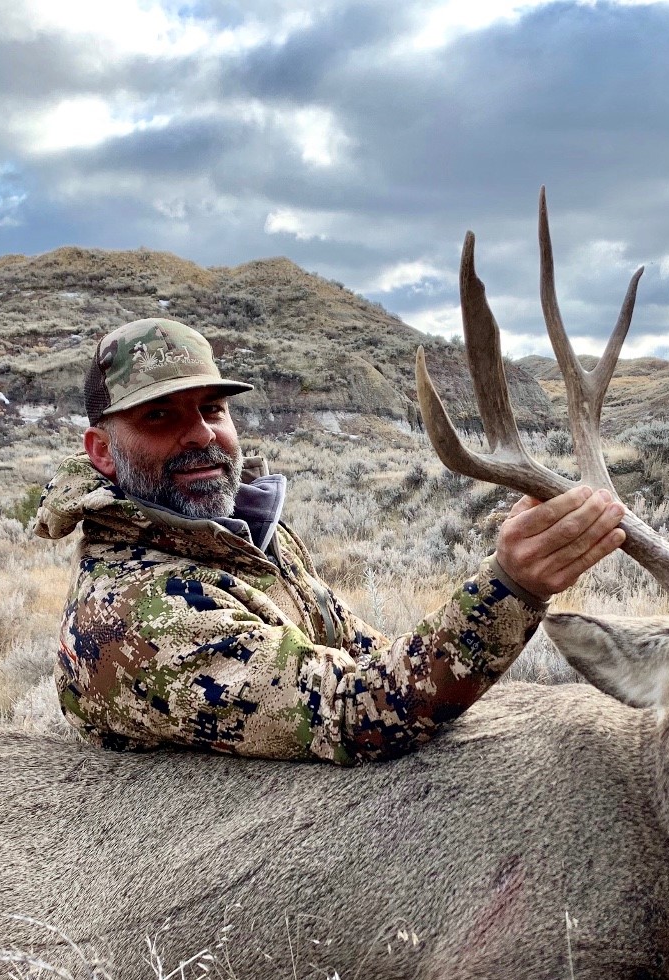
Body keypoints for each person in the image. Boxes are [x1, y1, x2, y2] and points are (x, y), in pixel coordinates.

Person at [33, 317, 625, 764]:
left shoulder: (240, 538)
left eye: (212, 409)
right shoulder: (135, 614)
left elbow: (361, 653)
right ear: (103, 452)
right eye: (158, 418)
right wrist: (510, 587)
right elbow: (351, 710)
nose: (200, 435)